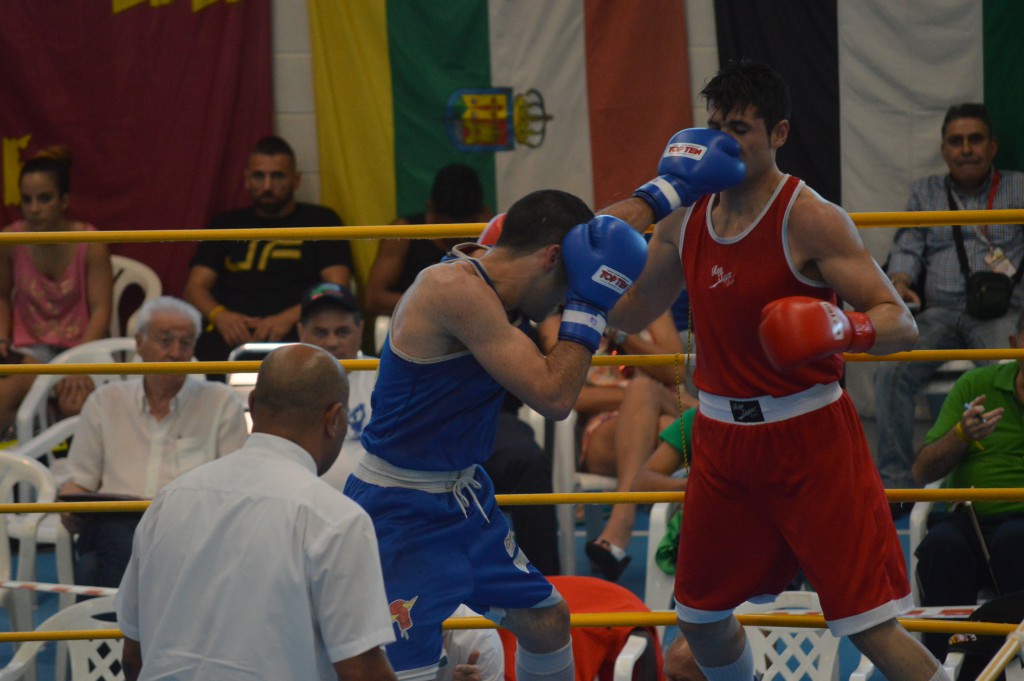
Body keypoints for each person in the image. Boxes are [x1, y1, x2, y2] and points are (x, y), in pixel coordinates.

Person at [606, 60, 946, 681]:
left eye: (739, 129)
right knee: (698, 616)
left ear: (779, 134)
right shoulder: (685, 214)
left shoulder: (809, 217)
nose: (721, 142)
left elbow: (901, 322)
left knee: (867, 625)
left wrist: (845, 328)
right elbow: (638, 307)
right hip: (720, 444)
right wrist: (589, 281)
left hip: (809, 440)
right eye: (713, 126)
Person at [344, 188, 662, 681]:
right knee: (409, 668)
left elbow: (591, 230)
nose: (561, 302)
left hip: (465, 494)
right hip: (401, 506)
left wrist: (670, 189)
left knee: (547, 619)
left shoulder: (504, 272)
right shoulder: (454, 290)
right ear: (552, 258)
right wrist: (588, 304)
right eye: (565, 285)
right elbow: (555, 399)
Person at [116, 344, 397, 681]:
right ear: (334, 419)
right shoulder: (337, 520)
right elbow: (363, 673)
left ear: (252, 405)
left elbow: (133, 657)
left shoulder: (169, 500)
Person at [875, 103, 1024, 504]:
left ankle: (1005, 477)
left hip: (1003, 315)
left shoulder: (1018, 188)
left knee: (1012, 378)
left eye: (975, 139)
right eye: (956, 141)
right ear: (944, 151)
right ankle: (897, 488)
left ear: (992, 147)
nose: (966, 149)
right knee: (890, 371)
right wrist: (901, 283)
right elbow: (908, 244)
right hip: (939, 313)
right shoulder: (926, 192)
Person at [60, 296, 248, 587]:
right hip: (116, 521)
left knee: (116, 555)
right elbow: (78, 480)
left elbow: (235, 485)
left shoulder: (220, 402)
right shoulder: (106, 401)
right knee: (118, 536)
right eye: (165, 340)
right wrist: (69, 504)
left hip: (188, 525)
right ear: (139, 343)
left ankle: (121, 627)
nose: (175, 352)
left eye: (185, 343)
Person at [537, 310, 695, 580]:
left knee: (645, 391)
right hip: (606, 429)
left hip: (667, 408)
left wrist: (620, 334)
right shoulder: (557, 318)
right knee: (646, 396)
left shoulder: (654, 305)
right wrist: (636, 399)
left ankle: (621, 524)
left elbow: (677, 371)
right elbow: (566, 394)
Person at [910, 308, 1024, 659]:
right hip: (969, 518)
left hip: (1019, 525)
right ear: (1013, 343)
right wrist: (960, 434)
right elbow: (922, 472)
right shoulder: (976, 386)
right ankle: (940, 665)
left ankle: (1011, 659)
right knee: (940, 547)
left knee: (1013, 541)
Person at [184, 135, 354, 364]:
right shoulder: (225, 224)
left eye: (277, 176)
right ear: (246, 179)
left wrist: (288, 318)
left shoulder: (321, 220)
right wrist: (221, 316)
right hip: (229, 337)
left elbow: (336, 285)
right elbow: (195, 288)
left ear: (296, 180)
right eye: (258, 176)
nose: (267, 186)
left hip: (299, 334)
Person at [0, 146, 114, 434]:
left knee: (75, 405)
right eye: (27, 200)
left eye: (44, 198)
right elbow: (1, 296)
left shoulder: (91, 242)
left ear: (64, 201)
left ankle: (66, 477)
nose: (34, 208)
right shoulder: (10, 240)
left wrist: (80, 364)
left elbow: (102, 309)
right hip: (29, 351)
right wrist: (1, 337)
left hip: (79, 347)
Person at [365, 163, 491, 317]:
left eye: (466, 226)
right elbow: (374, 299)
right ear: (430, 208)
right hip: (417, 327)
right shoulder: (404, 233)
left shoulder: (489, 232)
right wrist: (436, 304)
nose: (458, 235)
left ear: (482, 214)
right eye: (448, 226)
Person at [295, 281, 375, 490]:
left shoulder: (383, 377)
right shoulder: (287, 381)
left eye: (342, 332)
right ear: (301, 332)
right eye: (320, 333)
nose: (331, 342)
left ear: (360, 330)